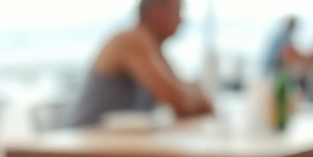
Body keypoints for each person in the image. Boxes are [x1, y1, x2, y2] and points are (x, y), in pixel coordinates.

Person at [67, 0, 213, 127]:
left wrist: (195, 97)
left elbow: (188, 97)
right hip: (83, 146)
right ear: (158, 12)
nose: (182, 20)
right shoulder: (132, 40)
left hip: (112, 147)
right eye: (178, 11)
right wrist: (196, 97)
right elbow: (181, 103)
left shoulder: (154, 50)